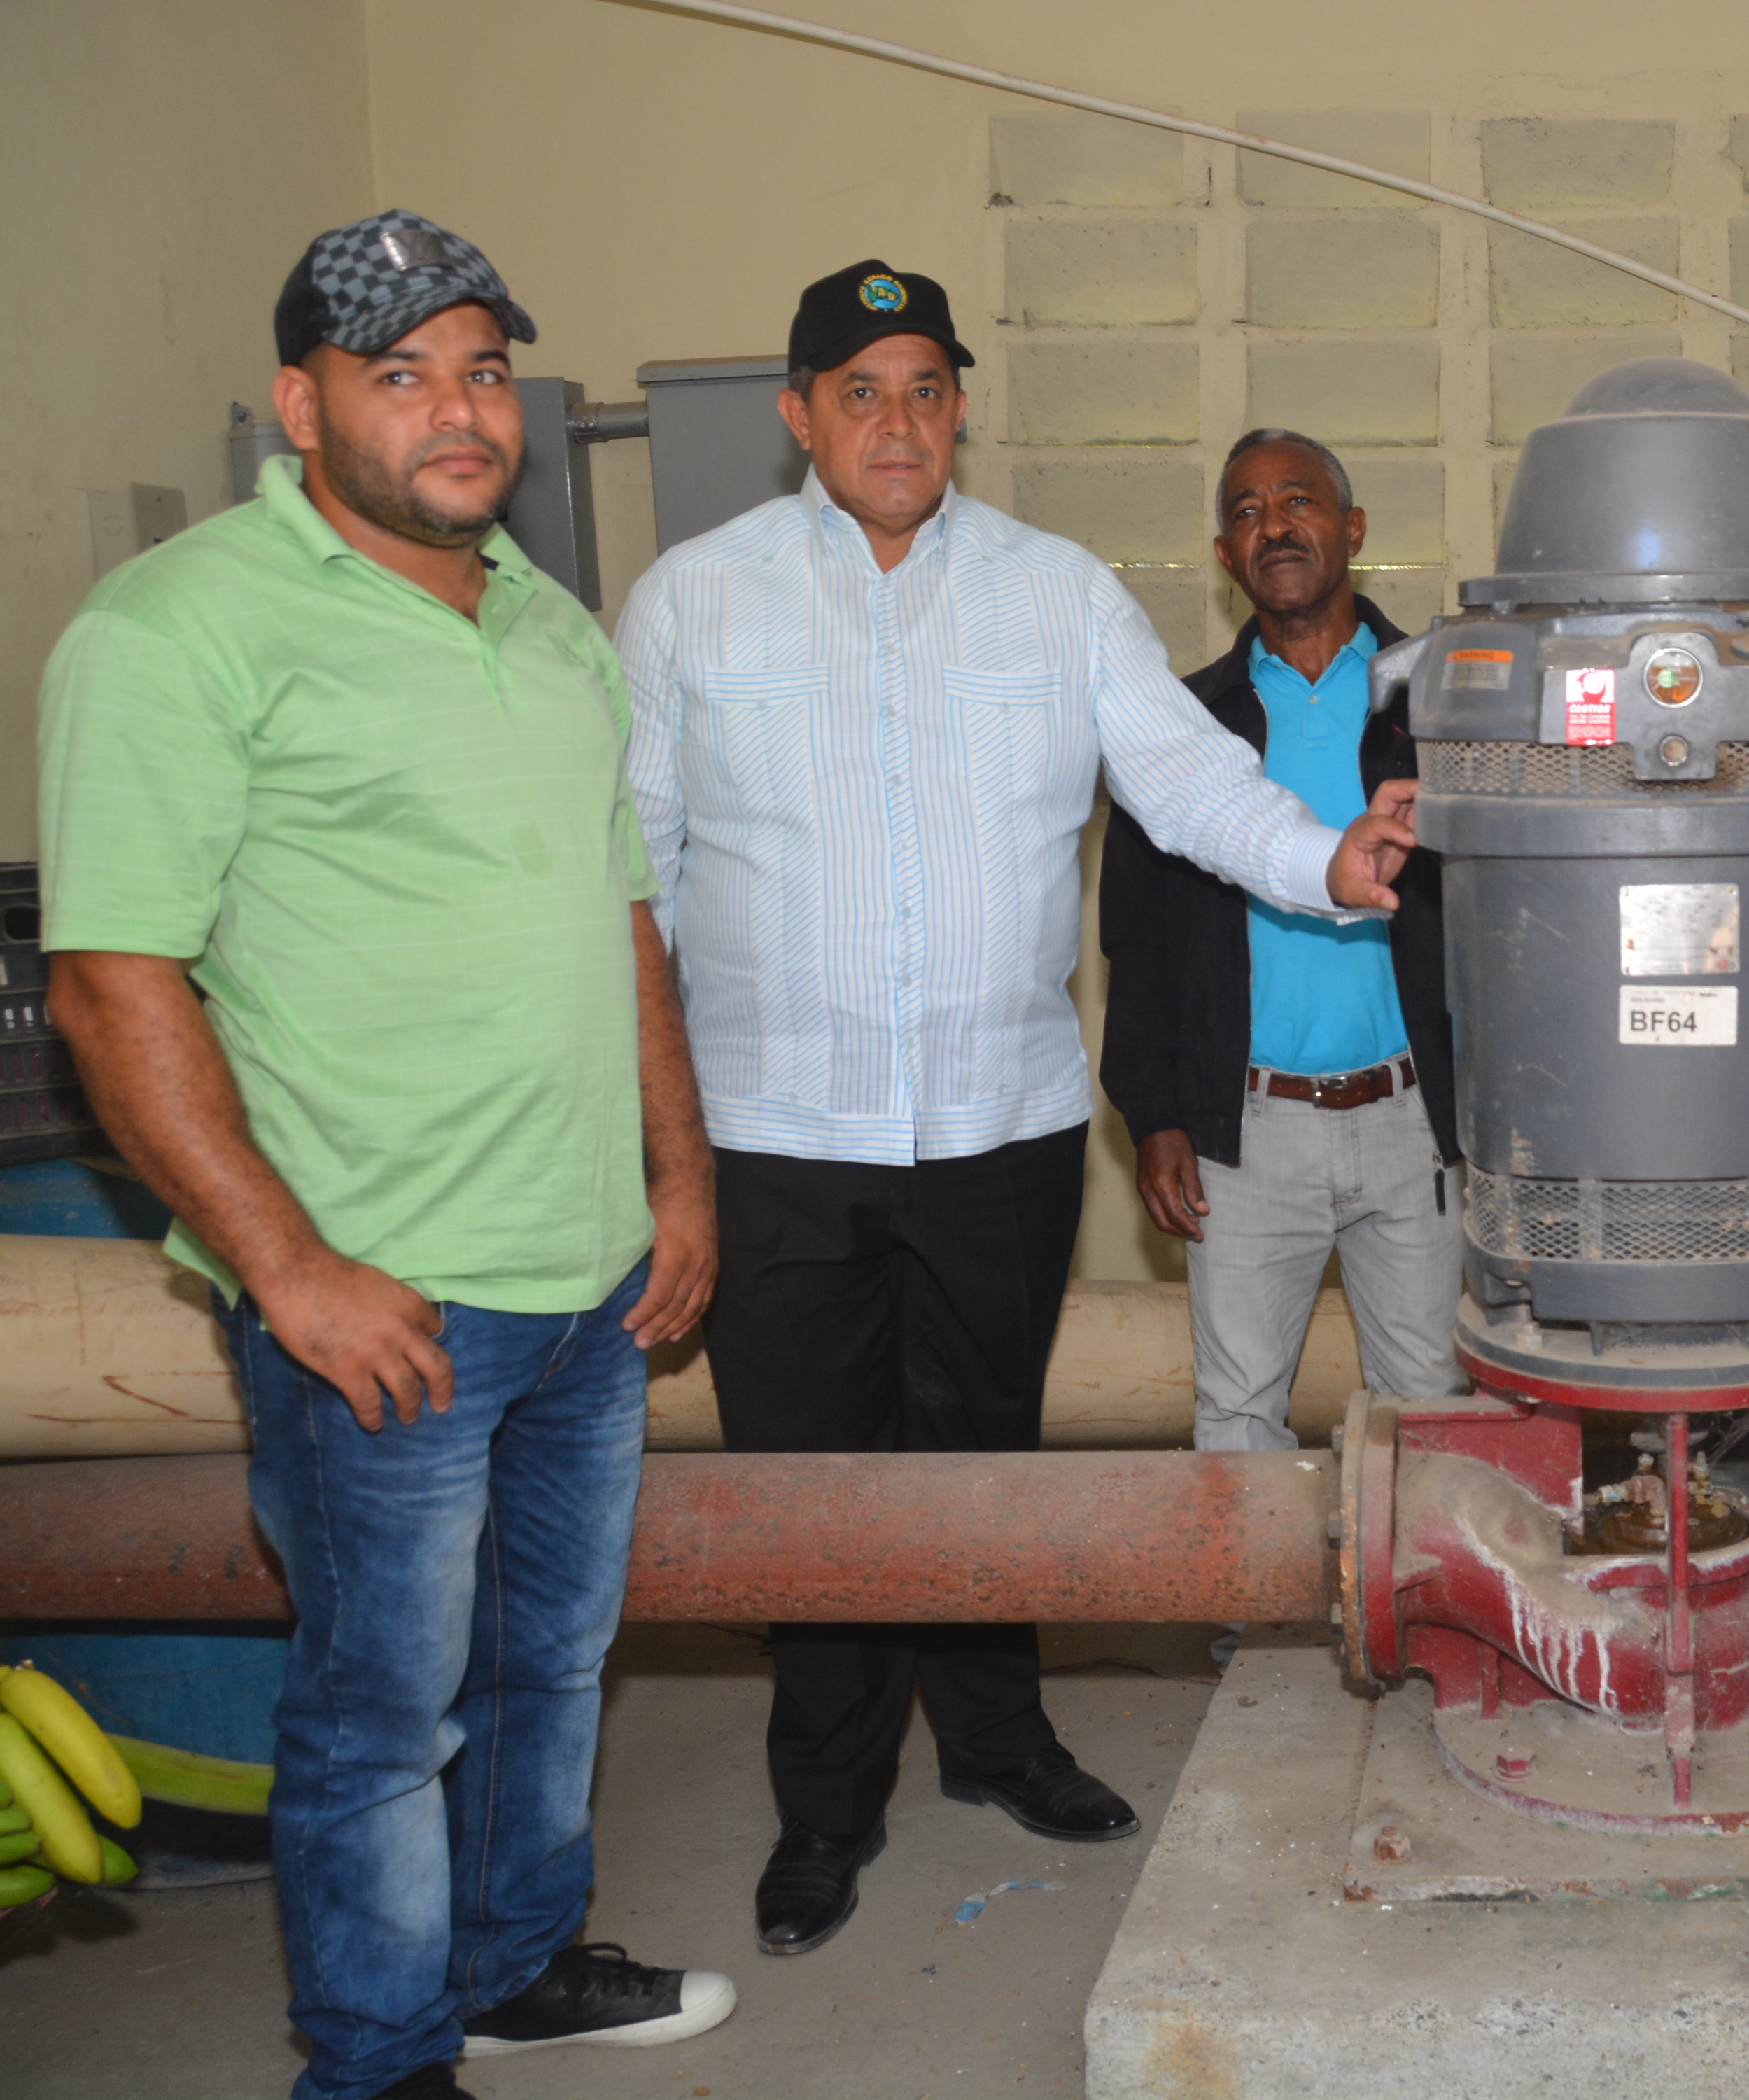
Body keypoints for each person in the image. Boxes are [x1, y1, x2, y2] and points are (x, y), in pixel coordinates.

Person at [619, 262, 1419, 1959]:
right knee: (813, 1488)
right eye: (860, 391)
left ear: (959, 409)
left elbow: (1190, 783)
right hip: (779, 1132)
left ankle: (997, 1742)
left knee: (983, 1453)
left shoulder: (1056, 595)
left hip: (1003, 1124)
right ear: (799, 416)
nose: (897, 421)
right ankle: (827, 1806)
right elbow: (641, 874)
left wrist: (1327, 862)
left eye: (925, 388)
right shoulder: (693, 600)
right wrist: (657, 1136)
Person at [39, 209, 731, 2100]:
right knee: (377, 1721)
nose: (458, 411)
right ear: (302, 405)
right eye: (401, 373)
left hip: (587, 1279)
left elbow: (622, 924)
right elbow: (111, 982)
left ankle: (512, 1966)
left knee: (548, 1668)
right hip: (383, 1299)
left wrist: (677, 1178)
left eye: (483, 371)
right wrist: (290, 1271)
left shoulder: (551, 626)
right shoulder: (177, 628)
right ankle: (374, 2058)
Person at [1098, 430, 1461, 1485]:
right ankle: (1250, 1601)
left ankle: (1414, 1594)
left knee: (1429, 1417)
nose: (1275, 527)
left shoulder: (1440, 704)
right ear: (1226, 556)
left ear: (1352, 529)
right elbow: (1136, 938)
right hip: (1243, 1133)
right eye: (1247, 513)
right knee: (1237, 1421)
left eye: (1298, 502)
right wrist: (1157, 1117)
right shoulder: (1187, 725)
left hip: (1416, 1121)